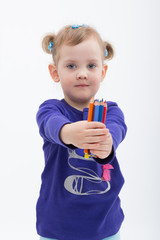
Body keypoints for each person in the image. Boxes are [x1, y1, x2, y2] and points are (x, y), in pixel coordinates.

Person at [36, 24, 127, 240]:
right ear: (54, 72)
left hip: (105, 225)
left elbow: (115, 132)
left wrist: (106, 144)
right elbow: (50, 124)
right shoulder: (51, 109)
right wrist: (68, 133)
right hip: (56, 226)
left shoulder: (111, 111)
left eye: (91, 65)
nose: (82, 74)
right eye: (71, 66)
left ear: (103, 71)